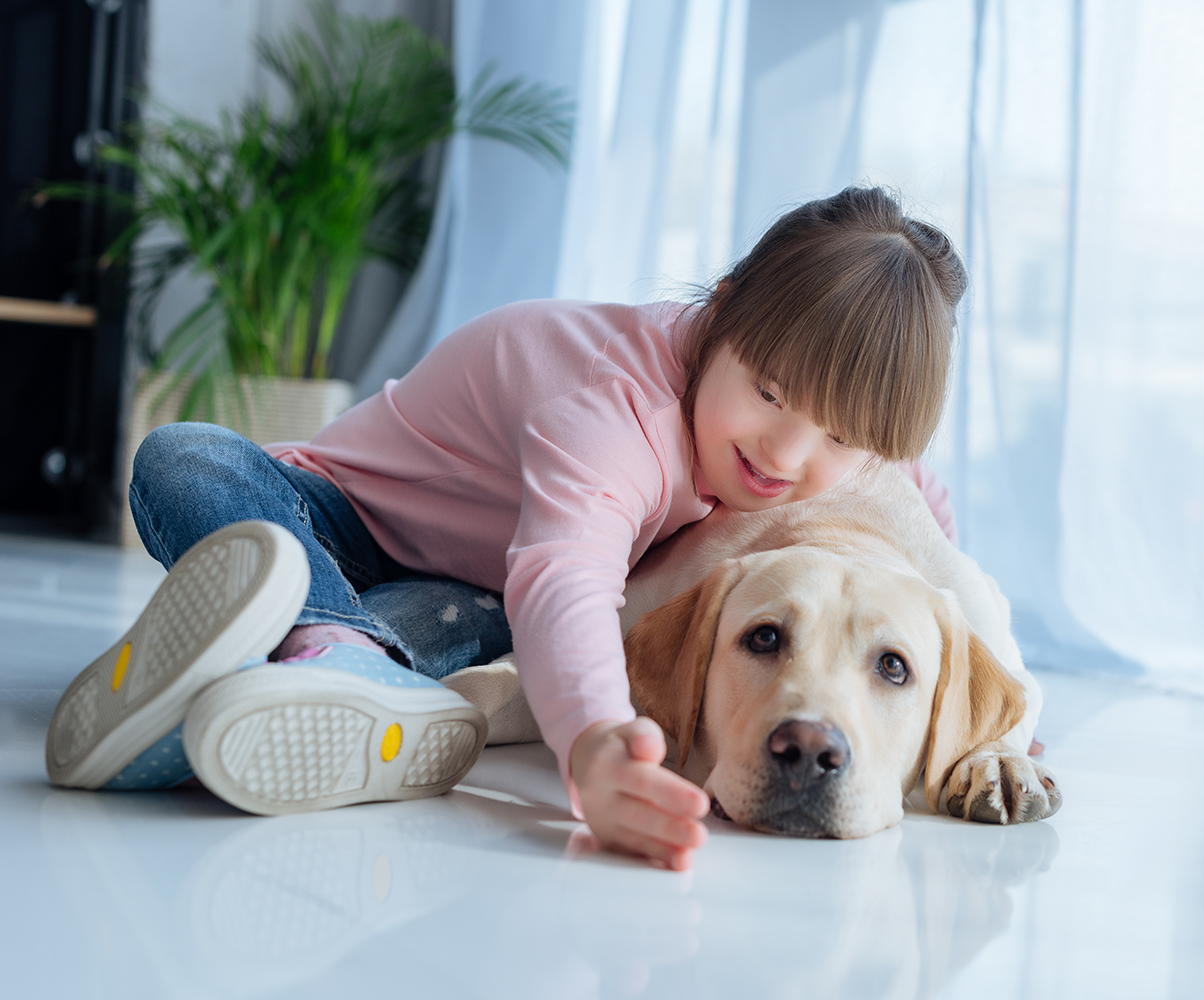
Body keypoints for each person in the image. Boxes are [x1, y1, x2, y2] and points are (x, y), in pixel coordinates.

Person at [45, 186, 969, 870]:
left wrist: (982, 717)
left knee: (482, 626)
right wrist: (597, 746)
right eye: (768, 392)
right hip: (334, 519)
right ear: (719, 309)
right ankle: (326, 642)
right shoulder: (619, 406)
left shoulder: (809, 442)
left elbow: (918, 504)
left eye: (838, 436)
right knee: (185, 457)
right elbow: (566, 575)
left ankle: (250, 685)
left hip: (463, 597)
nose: (784, 450)